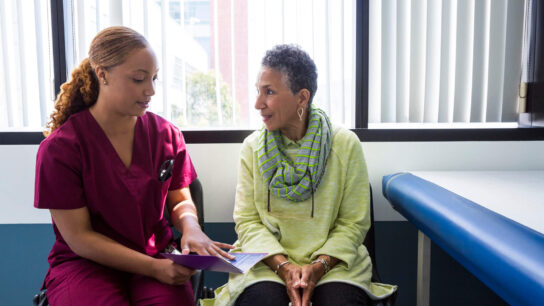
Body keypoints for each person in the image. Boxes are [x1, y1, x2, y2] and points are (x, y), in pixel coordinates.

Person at [34, 26, 233, 306]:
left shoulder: (166, 135)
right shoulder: (60, 149)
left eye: (154, 78)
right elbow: (80, 238)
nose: (150, 90)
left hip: (156, 254)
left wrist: (191, 227)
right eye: (139, 79)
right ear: (102, 73)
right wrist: (153, 268)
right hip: (86, 264)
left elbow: (179, 199)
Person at [205, 45, 396, 306]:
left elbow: (354, 223)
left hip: (335, 264)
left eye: (269, 92)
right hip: (265, 263)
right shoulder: (251, 148)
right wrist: (283, 266)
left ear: (302, 98)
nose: (258, 104)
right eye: (258, 91)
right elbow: (248, 222)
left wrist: (318, 267)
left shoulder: (345, 145)